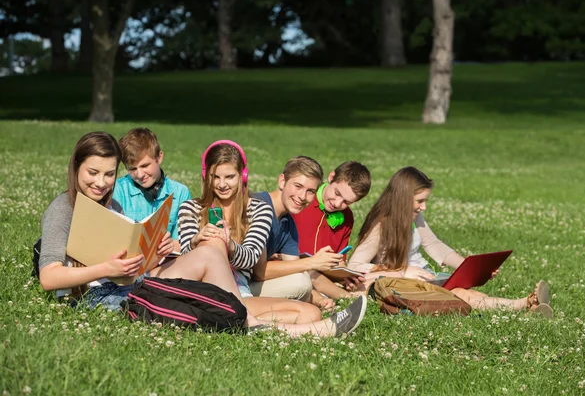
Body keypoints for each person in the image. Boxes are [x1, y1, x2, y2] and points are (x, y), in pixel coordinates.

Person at [38, 132, 366, 337]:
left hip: (140, 283)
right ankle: (302, 330)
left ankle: (289, 324)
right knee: (210, 250)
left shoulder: (113, 209)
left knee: (306, 310)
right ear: (76, 168)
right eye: (93, 173)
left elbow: (133, 268)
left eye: (109, 174)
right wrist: (109, 269)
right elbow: (50, 278)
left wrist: (156, 250)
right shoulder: (64, 208)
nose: (102, 182)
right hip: (107, 297)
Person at [176, 140, 367, 335]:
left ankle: (244, 322)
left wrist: (230, 245)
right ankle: (255, 322)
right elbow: (186, 258)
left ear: (242, 176)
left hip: (239, 291)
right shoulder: (191, 208)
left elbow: (250, 259)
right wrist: (197, 240)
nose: (222, 184)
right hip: (202, 290)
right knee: (212, 242)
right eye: (215, 177)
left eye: (230, 177)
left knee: (311, 313)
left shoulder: (258, 210)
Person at [347, 166, 553, 317]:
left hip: (423, 278)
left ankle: (528, 305)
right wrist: (402, 272)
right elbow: (354, 266)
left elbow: (435, 246)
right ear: (402, 198)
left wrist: (470, 266)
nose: (424, 207)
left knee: (463, 291)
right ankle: (525, 304)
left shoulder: (413, 218)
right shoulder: (380, 227)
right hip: (401, 284)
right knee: (460, 295)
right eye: (420, 201)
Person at [252, 157, 352, 309]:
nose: (302, 196)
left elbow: (294, 268)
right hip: (232, 284)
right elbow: (260, 272)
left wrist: (319, 299)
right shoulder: (260, 207)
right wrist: (313, 261)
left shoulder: (288, 221)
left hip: (248, 283)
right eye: (298, 186)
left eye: (310, 191)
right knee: (301, 282)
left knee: (302, 279)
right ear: (282, 181)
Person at [292, 161, 371, 298]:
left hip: (323, 276)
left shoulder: (347, 217)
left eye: (347, 202)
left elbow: (339, 259)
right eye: (337, 193)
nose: (337, 203)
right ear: (331, 177)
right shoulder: (301, 201)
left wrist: (345, 275)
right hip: (295, 269)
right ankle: (346, 298)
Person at [112, 127, 192, 252]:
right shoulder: (117, 190)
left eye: (145, 165)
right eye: (132, 169)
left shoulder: (181, 193)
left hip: (166, 265)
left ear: (159, 157)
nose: (139, 174)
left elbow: (185, 243)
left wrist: (173, 245)